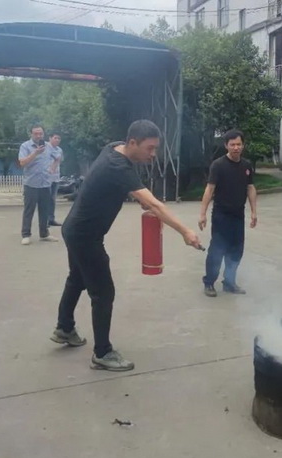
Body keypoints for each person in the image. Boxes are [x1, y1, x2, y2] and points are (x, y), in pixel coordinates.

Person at [52, 120, 202, 372]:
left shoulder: (114, 148)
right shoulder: (117, 166)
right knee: (103, 293)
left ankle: (64, 328)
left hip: (74, 229)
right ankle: (102, 353)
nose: (153, 154)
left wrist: (138, 196)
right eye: (150, 148)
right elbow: (154, 204)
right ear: (132, 142)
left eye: (155, 148)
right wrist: (185, 231)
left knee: (77, 279)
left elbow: (124, 186)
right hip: (85, 237)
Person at [199, 129, 257, 297]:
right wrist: (202, 214)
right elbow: (210, 189)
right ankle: (209, 282)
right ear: (226, 145)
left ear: (243, 145)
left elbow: (250, 188)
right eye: (232, 144)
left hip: (238, 214)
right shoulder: (218, 165)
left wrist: (254, 212)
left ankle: (229, 282)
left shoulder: (246, 165)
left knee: (236, 250)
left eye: (239, 144)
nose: (236, 148)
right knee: (217, 250)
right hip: (221, 215)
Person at [19, 125, 58, 245]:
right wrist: (35, 153)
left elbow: (57, 158)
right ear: (31, 134)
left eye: (40, 133)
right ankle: (26, 234)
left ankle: (44, 233)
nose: (38, 136)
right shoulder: (25, 146)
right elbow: (22, 163)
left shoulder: (48, 146)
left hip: (45, 183)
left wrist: (52, 169)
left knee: (44, 210)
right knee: (29, 210)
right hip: (31, 183)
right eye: (36, 133)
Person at [46, 133, 63, 227]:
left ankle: (51, 219)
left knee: (52, 199)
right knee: (45, 199)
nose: (57, 140)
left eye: (59, 138)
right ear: (50, 138)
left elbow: (59, 161)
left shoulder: (59, 150)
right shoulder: (45, 147)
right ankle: (44, 220)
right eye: (55, 138)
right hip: (46, 178)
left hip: (55, 178)